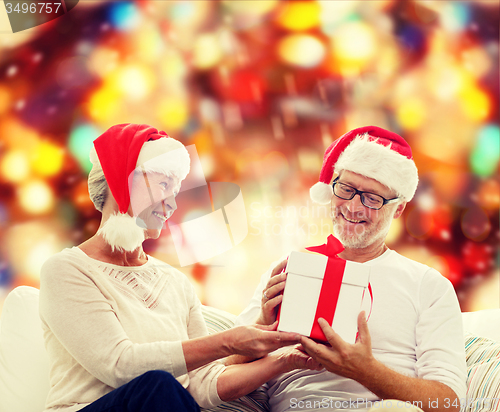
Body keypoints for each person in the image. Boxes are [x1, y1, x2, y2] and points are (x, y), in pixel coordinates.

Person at [39, 123, 321, 412]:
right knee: (158, 385)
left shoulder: (175, 281)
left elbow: (200, 385)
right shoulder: (66, 270)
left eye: (176, 191)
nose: (172, 205)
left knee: (166, 389)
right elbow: (120, 366)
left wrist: (286, 359)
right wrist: (228, 342)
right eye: (164, 185)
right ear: (122, 180)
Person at [236, 126, 467, 412]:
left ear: (398, 209)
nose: (353, 207)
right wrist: (262, 323)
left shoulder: (428, 285)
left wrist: (365, 370)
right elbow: (219, 372)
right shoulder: (288, 269)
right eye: (346, 189)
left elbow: (448, 403)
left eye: (372, 198)